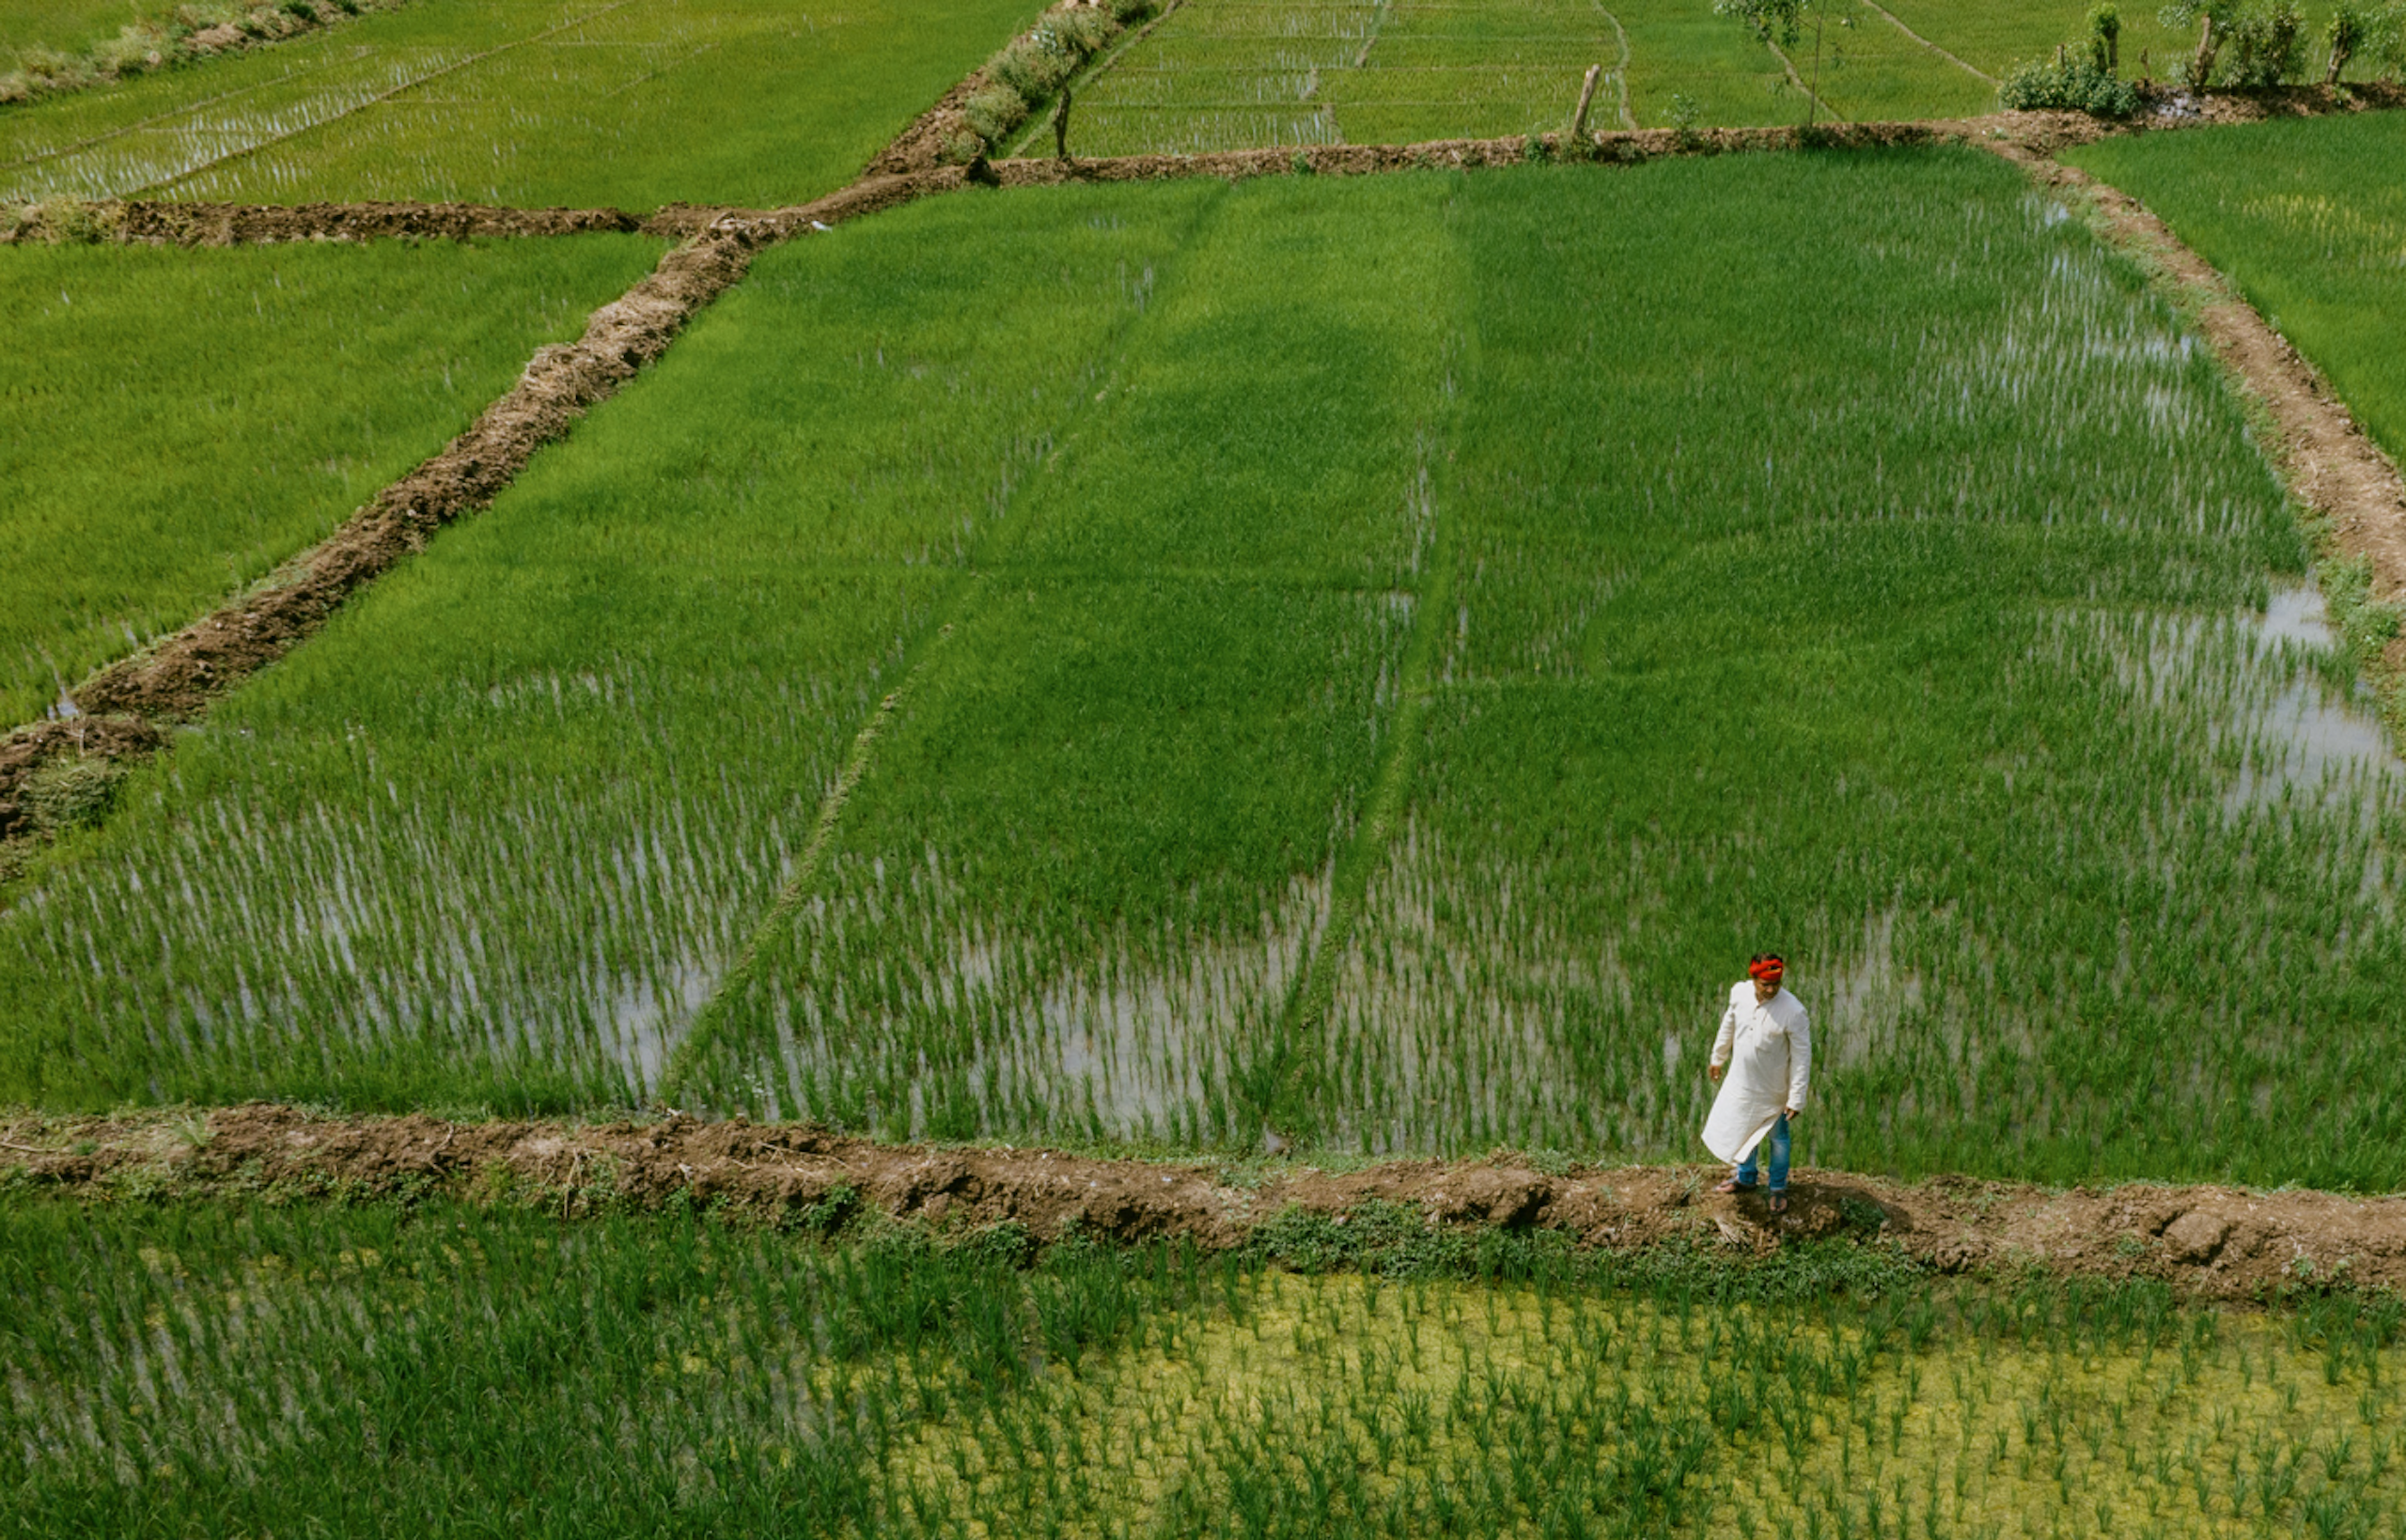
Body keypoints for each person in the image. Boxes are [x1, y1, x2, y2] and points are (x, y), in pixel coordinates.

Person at [1702, 953, 1811, 1213]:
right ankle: (1746, 1178)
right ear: (1754, 979)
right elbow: (1728, 1024)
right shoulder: (1739, 994)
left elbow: (1802, 1056)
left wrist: (1796, 1098)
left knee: (1778, 1140)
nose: (1771, 989)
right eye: (1765, 984)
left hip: (1774, 1090)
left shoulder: (1794, 1011)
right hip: (1742, 1081)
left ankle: (1777, 1188)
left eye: (1776, 983)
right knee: (1743, 1128)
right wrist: (1718, 1057)